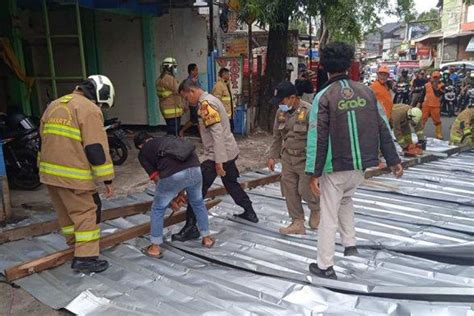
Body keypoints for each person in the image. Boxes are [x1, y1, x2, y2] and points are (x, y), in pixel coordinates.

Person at [305, 42, 403, 280]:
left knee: (328, 215)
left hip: (334, 167)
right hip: (360, 167)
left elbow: (316, 135)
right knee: (346, 200)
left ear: (326, 67)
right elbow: (383, 126)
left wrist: (312, 172)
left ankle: (325, 265)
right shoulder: (367, 92)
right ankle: (350, 244)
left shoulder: (324, 96)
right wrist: (393, 160)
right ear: (349, 64)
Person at [39, 75, 115, 273]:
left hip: (49, 173)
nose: (100, 107)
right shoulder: (88, 109)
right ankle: (86, 259)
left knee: (65, 212)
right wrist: (107, 178)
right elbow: (96, 148)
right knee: (85, 213)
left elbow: (42, 138)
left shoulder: (54, 105)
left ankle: (74, 245)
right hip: (73, 174)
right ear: (100, 94)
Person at [174, 79, 259, 242]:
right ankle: (249, 211)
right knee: (231, 183)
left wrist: (218, 161)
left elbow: (217, 134)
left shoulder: (206, 104)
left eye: (186, 97)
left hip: (217, 155)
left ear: (192, 91)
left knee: (196, 189)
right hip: (226, 151)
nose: (187, 101)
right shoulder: (211, 100)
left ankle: (191, 227)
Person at [134, 132, 215, 257]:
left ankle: (155, 247)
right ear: (151, 138)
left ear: (140, 146)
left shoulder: (143, 153)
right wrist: (179, 194)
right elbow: (182, 168)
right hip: (195, 169)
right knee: (198, 203)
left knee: (158, 208)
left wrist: (171, 201)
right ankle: (207, 239)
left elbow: (157, 179)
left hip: (173, 175)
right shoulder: (168, 139)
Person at [267, 81, 320, 235]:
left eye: (282, 101)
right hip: (288, 158)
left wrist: (315, 165)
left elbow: (316, 139)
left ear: (292, 98)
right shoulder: (280, 112)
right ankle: (297, 222)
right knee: (289, 191)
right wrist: (272, 156)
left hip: (305, 159)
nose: (280, 105)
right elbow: (277, 136)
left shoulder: (309, 112)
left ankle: (316, 210)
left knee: (305, 189)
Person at [156, 57, 183, 136]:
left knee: (171, 130)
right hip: (172, 110)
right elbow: (179, 89)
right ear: (169, 67)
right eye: (174, 67)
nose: (175, 69)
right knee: (173, 132)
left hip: (166, 109)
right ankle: (171, 146)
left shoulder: (160, 78)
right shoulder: (169, 79)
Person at [420, 70, 444, 139]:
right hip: (426, 105)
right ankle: (420, 133)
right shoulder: (426, 85)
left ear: (439, 78)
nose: (436, 79)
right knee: (422, 120)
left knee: (437, 120)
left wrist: (435, 86)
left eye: (437, 77)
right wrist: (419, 103)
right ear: (432, 77)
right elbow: (422, 95)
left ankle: (438, 133)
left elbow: (438, 94)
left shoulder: (441, 85)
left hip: (435, 106)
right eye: (434, 77)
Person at [179, 64, 201, 137]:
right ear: (192, 71)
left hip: (197, 103)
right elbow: (186, 95)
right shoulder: (188, 82)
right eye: (196, 70)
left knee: (194, 120)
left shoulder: (194, 80)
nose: (197, 71)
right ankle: (202, 137)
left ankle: (181, 131)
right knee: (197, 120)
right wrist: (186, 104)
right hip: (193, 104)